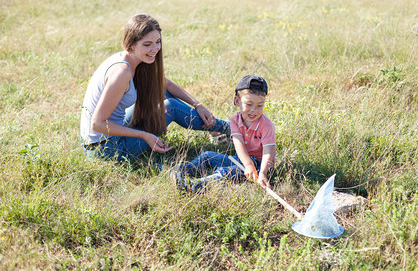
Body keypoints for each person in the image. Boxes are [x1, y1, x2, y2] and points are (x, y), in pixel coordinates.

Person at [80, 13, 229, 162]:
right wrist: (144, 135)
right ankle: (234, 128)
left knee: (164, 93)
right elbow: (97, 123)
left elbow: (166, 85)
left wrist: (198, 105)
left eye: (157, 42)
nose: (155, 49)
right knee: (171, 107)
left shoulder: (132, 60)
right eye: (147, 44)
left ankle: (218, 129)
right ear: (131, 43)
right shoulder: (122, 72)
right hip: (105, 149)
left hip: (109, 136)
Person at [170, 74, 276, 192]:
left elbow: (268, 152)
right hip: (241, 160)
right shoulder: (235, 120)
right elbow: (238, 143)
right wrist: (247, 164)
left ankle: (193, 186)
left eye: (259, 105)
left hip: (259, 166)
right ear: (237, 101)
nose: (254, 110)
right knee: (207, 156)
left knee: (226, 172)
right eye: (249, 104)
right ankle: (179, 172)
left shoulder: (266, 125)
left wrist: (262, 173)